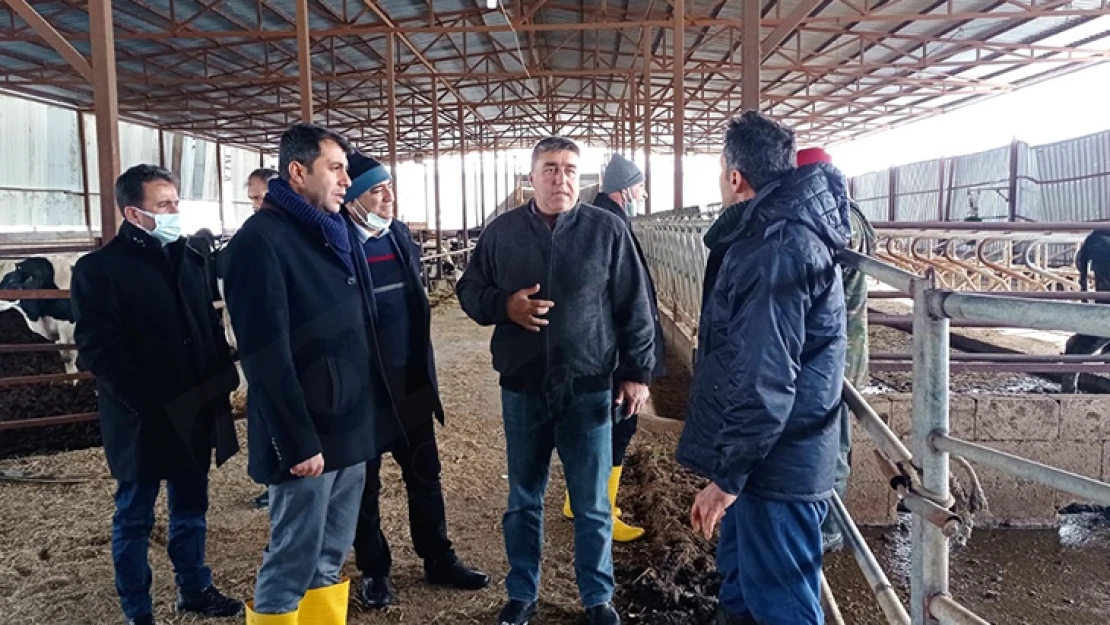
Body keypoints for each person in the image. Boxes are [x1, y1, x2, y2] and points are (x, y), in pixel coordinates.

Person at [456, 136, 656, 625]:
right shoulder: (501, 233)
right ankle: (522, 592)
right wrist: (506, 306)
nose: (559, 178)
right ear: (531, 176)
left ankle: (597, 597)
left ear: (579, 177)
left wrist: (636, 373)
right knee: (524, 499)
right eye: (549, 168)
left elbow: (635, 305)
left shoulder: (606, 230)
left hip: (589, 387)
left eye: (569, 169)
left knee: (590, 504)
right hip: (523, 387)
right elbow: (468, 291)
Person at [676, 112, 851, 625]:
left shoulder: (774, 247)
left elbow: (765, 377)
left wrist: (726, 479)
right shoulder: (778, 232)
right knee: (747, 592)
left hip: (776, 466)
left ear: (735, 176)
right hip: (767, 458)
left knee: (779, 605)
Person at [221, 123, 393, 625]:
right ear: (298, 172)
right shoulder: (261, 242)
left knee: (329, 557)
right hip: (308, 435)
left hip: (349, 426)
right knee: (292, 558)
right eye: (335, 169)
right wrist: (297, 441)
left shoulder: (330, 230)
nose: (346, 180)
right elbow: (264, 356)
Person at [71, 164, 244, 625]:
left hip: (193, 408)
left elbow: (206, 326)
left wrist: (221, 376)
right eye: (163, 205)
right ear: (134, 212)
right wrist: (145, 404)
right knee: (134, 516)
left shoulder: (190, 259)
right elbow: (98, 350)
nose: (175, 211)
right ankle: (137, 610)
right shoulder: (99, 270)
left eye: (175, 202)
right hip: (142, 417)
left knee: (191, 508)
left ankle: (194, 587)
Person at [343, 152, 489, 608]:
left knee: (425, 474)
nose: (388, 196)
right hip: (361, 390)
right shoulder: (337, 243)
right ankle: (374, 569)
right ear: (350, 200)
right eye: (376, 190)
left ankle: (438, 557)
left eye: (388, 186)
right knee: (364, 486)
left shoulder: (401, 236)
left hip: (409, 383)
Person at [559, 152, 667, 543]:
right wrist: (633, 368)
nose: (643, 192)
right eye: (639, 185)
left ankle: (582, 501)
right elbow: (622, 302)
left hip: (607, 352)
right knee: (617, 429)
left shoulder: (609, 220)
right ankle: (597, 510)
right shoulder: (609, 224)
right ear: (624, 190)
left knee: (605, 429)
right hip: (614, 355)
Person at [796, 146, 877, 551]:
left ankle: (829, 529)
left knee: (836, 441)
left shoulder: (838, 218)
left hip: (841, 349)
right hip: (837, 346)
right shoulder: (846, 211)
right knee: (827, 435)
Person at [242, 166, 280, 512]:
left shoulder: (282, 233)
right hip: (262, 349)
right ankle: (271, 481)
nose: (256, 204)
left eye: (261, 197)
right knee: (265, 420)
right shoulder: (252, 234)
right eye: (252, 198)